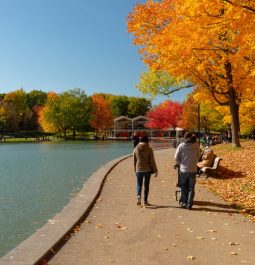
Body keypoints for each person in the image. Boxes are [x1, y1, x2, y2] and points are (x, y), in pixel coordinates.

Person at [174, 132, 200, 210]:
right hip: (193, 169)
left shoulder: (181, 145)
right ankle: (190, 204)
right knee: (191, 187)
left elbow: (176, 157)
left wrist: (181, 163)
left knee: (183, 186)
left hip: (183, 169)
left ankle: (184, 202)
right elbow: (198, 156)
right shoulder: (196, 145)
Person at [133, 135, 158, 206]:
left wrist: (135, 170)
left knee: (139, 184)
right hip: (147, 170)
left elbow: (134, 161)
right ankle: (145, 201)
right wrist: (156, 171)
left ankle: (138, 196)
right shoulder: (149, 149)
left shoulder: (136, 148)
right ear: (147, 140)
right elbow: (152, 161)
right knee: (146, 185)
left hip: (139, 169)